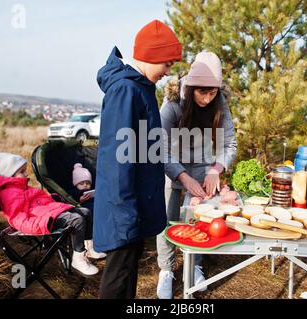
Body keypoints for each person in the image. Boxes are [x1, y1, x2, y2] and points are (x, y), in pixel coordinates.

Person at [93, 19, 182, 299]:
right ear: (152, 56)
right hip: (123, 210)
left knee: (127, 275)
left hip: (134, 207)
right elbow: (117, 162)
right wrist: (127, 214)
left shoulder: (140, 88)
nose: (168, 72)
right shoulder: (126, 91)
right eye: (166, 64)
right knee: (117, 280)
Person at [155, 52, 237, 299]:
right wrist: (181, 176)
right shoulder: (171, 105)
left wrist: (216, 168)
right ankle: (166, 270)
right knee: (167, 220)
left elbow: (229, 143)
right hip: (172, 168)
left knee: (200, 217)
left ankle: (195, 265)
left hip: (203, 166)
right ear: (190, 88)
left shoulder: (219, 101)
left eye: (213, 93)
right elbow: (160, 147)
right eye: (203, 93)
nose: (207, 98)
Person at [0, 149, 101, 276]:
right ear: (10, 175)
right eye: (22, 171)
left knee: (85, 212)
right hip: (42, 220)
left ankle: (90, 248)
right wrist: (41, 223)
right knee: (77, 220)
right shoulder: (10, 194)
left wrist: (56, 201)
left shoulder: (23, 188)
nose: (26, 174)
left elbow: (43, 201)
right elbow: (17, 218)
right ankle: (78, 259)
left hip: (47, 212)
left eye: (25, 170)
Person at [67, 163, 106, 259]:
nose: (85, 185)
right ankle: (89, 247)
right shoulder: (74, 192)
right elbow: (70, 201)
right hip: (84, 209)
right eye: (82, 183)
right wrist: (80, 200)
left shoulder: (92, 190)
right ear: (76, 184)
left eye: (87, 183)